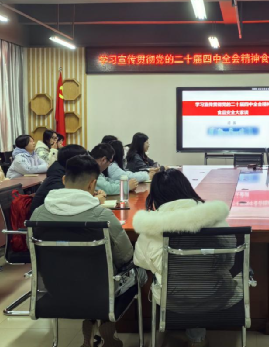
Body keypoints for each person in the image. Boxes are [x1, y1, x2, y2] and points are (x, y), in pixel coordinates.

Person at [30, 155, 135, 347]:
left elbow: (35, 256)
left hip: (56, 289)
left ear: (64, 180)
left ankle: (91, 328)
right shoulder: (102, 216)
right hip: (99, 291)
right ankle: (106, 327)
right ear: (93, 184)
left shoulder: (38, 214)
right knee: (136, 271)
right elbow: (125, 256)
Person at [133, 169, 240, 347]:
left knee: (157, 275)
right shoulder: (215, 218)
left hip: (171, 299)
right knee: (201, 279)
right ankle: (197, 339)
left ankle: (168, 330)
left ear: (156, 196)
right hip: (217, 294)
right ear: (187, 188)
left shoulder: (151, 226)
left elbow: (141, 261)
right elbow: (229, 260)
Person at [29, 144, 89, 215]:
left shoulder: (61, 172)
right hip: (43, 220)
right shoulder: (56, 179)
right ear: (74, 161)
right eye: (84, 160)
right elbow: (71, 203)